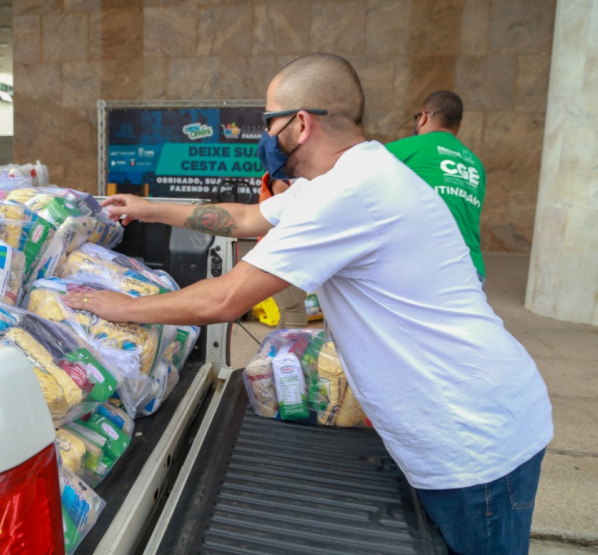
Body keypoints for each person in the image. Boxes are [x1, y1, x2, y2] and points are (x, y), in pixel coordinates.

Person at [65, 53, 552, 555]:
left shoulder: (347, 195)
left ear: (300, 123)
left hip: (473, 438)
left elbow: (226, 298)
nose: (264, 135)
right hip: (467, 416)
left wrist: (118, 306)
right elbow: (245, 219)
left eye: (268, 121)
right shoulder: (354, 175)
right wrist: (146, 208)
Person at [387, 91, 487, 281]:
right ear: (459, 126)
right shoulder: (475, 164)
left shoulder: (401, 149)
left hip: (426, 266)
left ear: (423, 117)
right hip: (472, 270)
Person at [258, 173, 308, 328]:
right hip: (282, 252)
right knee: (294, 312)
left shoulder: (289, 179)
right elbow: (291, 215)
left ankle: (280, 352)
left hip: (282, 250)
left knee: (288, 313)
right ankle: (293, 352)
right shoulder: (280, 180)